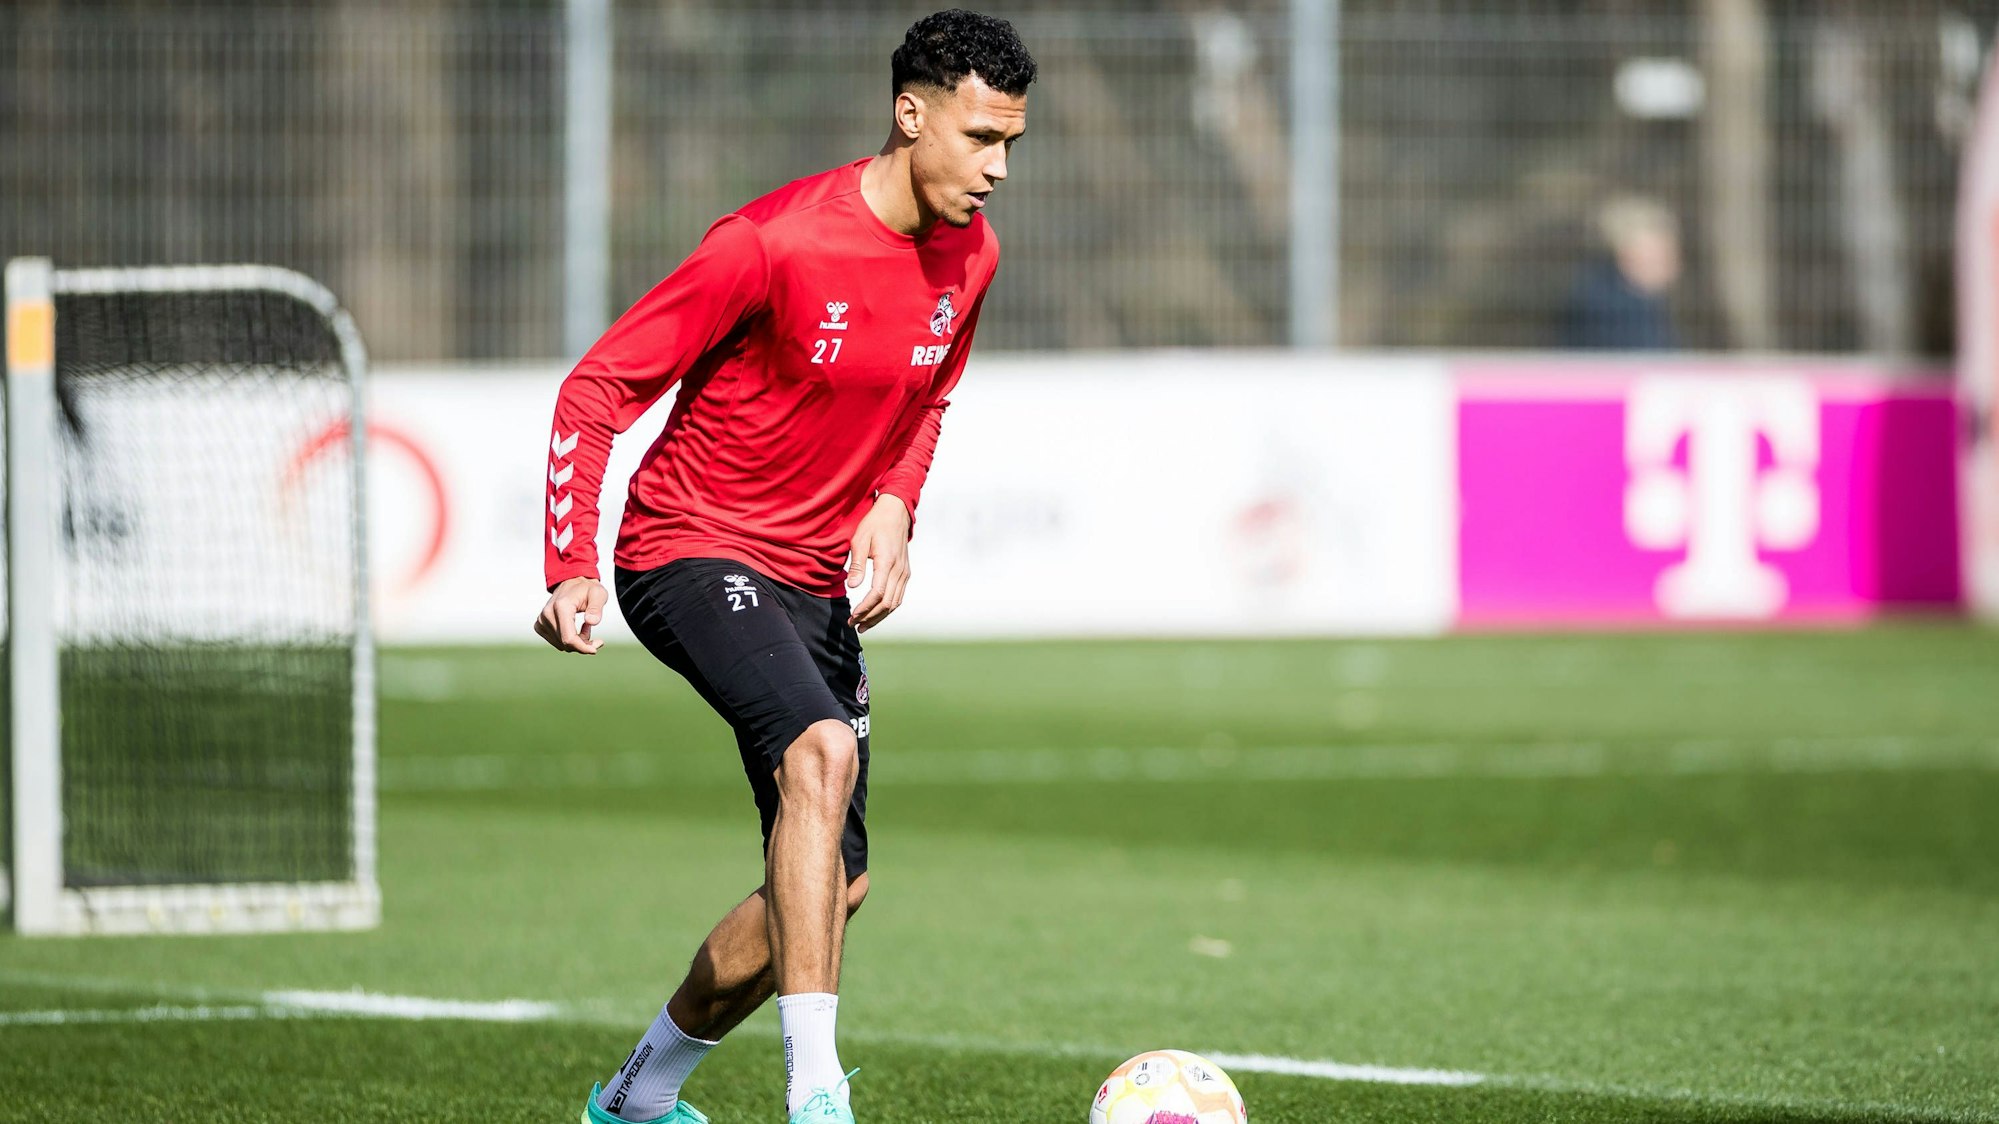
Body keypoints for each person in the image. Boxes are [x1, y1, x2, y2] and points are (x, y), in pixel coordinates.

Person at [532, 11, 1033, 1124]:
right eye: (979, 136)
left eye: (1011, 143)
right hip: (687, 544)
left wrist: (896, 501)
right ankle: (817, 1095)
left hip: (809, 580)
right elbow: (597, 389)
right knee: (818, 754)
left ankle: (636, 1093)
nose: (996, 168)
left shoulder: (973, 254)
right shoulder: (770, 241)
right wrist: (570, 562)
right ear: (911, 115)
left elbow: (929, 392)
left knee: (829, 888)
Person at [1557, 194, 1683, 351]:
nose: (1674, 266)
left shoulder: (1642, 303)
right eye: (1661, 256)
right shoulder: (1610, 308)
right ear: (1626, 255)